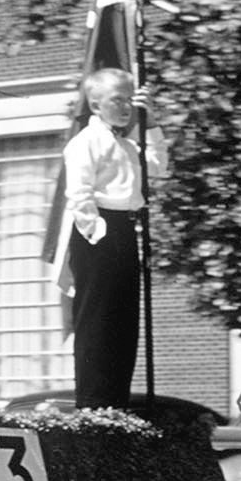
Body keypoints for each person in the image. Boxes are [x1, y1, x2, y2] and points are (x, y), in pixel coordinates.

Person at [60, 67, 169, 408]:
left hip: (125, 230)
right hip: (98, 233)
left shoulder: (129, 145)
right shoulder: (86, 142)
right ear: (95, 104)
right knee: (98, 322)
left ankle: (116, 402)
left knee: (124, 322)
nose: (125, 107)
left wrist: (148, 120)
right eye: (117, 100)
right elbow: (78, 194)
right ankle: (94, 404)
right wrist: (100, 234)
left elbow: (159, 166)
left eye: (130, 100)